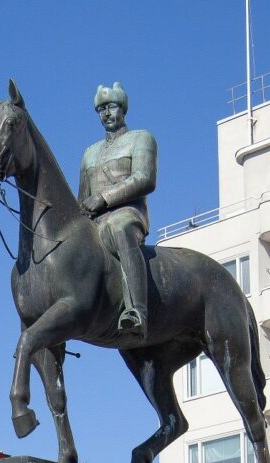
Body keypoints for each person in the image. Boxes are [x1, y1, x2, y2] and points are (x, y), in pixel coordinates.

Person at [79, 82, 158, 338]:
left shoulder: (140, 138)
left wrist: (103, 198)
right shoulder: (89, 153)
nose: (106, 113)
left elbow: (145, 179)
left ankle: (137, 311)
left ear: (123, 109)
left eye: (111, 107)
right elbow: (83, 198)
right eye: (101, 109)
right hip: (96, 222)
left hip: (128, 214)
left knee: (119, 229)